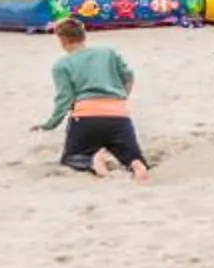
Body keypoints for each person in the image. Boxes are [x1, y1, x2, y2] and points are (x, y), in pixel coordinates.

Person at [35, 17, 150, 180]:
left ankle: (91, 161)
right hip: (118, 115)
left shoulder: (62, 64)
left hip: (86, 116)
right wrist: (122, 97)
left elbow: (65, 98)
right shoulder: (108, 53)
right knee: (131, 157)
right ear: (84, 35)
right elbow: (129, 76)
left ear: (62, 40)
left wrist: (50, 124)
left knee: (72, 157)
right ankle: (136, 165)